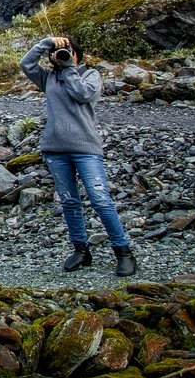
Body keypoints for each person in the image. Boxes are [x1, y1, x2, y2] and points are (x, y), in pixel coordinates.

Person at [20, 35, 137, 277]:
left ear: (77, 54)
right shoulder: (49, 78)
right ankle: (81, 250)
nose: (64, 55)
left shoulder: (90, 75)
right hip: (55, 149)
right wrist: (47, 43)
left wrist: (69, 68)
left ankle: (123, 252)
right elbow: (26, 64)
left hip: (86, 149)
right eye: (60, 52)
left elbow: (83, 94)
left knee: (100, 199)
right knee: (69, 201)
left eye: (68, 51)